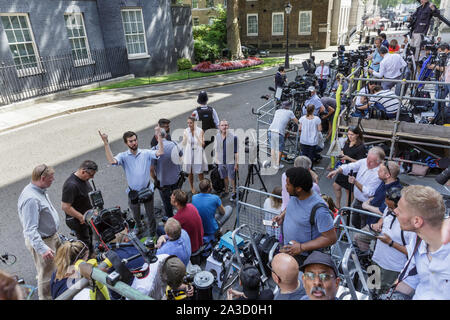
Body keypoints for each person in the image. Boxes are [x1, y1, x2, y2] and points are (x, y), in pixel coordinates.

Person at [98, 129, 164, 237]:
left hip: (147, 190)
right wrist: (106, 143)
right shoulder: (123, 156)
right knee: (135, 214)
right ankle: (139, 226)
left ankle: (152, 234)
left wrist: (159, 137)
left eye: (135, 140)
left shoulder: (146, 153)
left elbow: (160, 152)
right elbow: (112, 161)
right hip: (133, 193)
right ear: (126, 143)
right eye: (130, 141)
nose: (134, 143)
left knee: (151, 215)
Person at [392, 185, 450, 300]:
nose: (395, 211)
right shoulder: (417, 240)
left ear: (417, 221)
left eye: (400, 210)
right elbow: (409, 281)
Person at [273, 167, 337, 267]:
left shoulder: (319, 210)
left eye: (288, 184)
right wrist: (282, 216)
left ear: (298, 188)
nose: (285, 187)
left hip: (304, 258)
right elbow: (290, 207)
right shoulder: (295, 195)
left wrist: (301, 247)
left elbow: (331, 238)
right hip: (289, 250)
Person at [17, 164, 62, 300]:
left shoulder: (38, 190)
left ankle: (59, 291)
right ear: (42, 178)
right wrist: (43, 249)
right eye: (51, 178)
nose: (53, 180)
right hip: (43, 241)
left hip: (51, 237)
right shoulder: (31, 199)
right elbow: (30, 229)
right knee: (46, 275)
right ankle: (46, 297)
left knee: (57, 266)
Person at [367, 187, 415, 297]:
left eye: (391, 207)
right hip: (376, 259)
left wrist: (390, 242)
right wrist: (378, 224)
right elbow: (384, 217)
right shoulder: (388, 210)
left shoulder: (411, 226)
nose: (388, 209)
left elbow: (411, 252)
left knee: (384, 295)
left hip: (392, 268)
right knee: (371, 289)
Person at [327, 146, 384, 229]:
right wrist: (337, 171)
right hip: (358, 200)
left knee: (363, 226)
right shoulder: (365, 161)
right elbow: (351, 166)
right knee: (354, 222)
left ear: (379, 162)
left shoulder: (378, 173)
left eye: (371, 162)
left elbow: (369, 193)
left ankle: (359, 240)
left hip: (367, 204)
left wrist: (355, 182)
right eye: (367, 159)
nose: (367, 163)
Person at [356, 161, 403, 251]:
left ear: (387, 175)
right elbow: (376, 196)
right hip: (372, 220)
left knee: (359, 237)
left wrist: (366, 206)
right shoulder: (384, 182)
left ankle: (366, 256)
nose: (377, 171)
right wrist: (370, 200)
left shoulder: (393, 192)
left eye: (380, 170)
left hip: (378, 225)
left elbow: (383, 211)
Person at [61, 160, 98, 254]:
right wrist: (80, 217)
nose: (92, 177)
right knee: (85, 242)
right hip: (78, 220)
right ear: (83, 171)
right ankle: (88, 259)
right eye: (90, 175)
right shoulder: (71, 185)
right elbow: (65, 206)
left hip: (87, 216)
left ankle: (92, 253)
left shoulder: (83, 179)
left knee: (90, 236)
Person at [150, 128, 182, 218]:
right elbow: (181, 157)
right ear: (166, 136)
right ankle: (180, 215)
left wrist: (155, 179)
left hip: (163, 182)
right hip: (176, 179)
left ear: (156, 137)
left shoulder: (154, 150)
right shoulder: (175, 144)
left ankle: (171, 218)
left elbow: (151, 169)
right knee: (178, 199)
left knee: (167, 202)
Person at [332, 126, 366, 209]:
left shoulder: (361, 147)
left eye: (352, 135)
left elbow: (361, 162)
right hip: (345, 168)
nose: (349, 136)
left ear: (357, 135)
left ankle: (347, 208)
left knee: (349, 191)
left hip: (353, 171)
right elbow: (344, 150)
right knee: (336, 185)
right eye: (348, 134)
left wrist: (348, 158)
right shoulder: (347, 142)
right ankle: (338, 205)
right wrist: (342, 153)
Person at [191, 179, 227, 243]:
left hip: (199, 228)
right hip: (211, 230)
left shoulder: (194, 197)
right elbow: (223, 212)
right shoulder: (215, 198)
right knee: (228, 208)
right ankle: (218, 231)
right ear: (208, 189)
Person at [268, 100, 298, 170]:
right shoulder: (290, 112)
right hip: (279, 132)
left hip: (270, 130)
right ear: (289, 107)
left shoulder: (277, 111)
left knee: (272, 148)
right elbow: (297, 122)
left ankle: (273, 164)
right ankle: (277, 164)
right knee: (280, 149)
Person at [171, 189, 204, 254]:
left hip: (192, 247)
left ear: (176, 203)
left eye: (172, 198)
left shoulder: (176, 219)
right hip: (199, 239)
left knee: (161, 230)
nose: (170, 198)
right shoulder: (191, 206)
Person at [182, 116, 208, 194]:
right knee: (190, 171)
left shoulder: (200, 131)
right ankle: (192, 188)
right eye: (188, 123)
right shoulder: (186, 131)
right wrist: (185, 138)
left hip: (198, 153)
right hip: (189, 153)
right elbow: (184, 143)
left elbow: (203, 144)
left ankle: (203, 188)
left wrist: (196, 135)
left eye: (191, 123)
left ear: (195, 123)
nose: (189, 125)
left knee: (200, 172)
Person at [214, 120, 238, 200]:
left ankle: (234, 192)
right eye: (222, 125)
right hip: (221, 161)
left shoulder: (233, 137)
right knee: (224, 176)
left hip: (230, 161)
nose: (224, 127)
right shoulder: (217, 136)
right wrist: (216, 159)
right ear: (219, 127)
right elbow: (217, 149)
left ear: (228, 126)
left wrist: (236, 164)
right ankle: (227, 190)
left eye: (226, 125)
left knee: (232, 177)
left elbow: (236, 152)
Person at [191, 91, 219, 157]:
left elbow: (191, 124)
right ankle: (210, 165)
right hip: (210, 133)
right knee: (210, 149)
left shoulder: (195, 112)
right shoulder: (212, 110)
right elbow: (217, 122)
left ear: (199, 101)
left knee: (200, 151)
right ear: (207, 100)